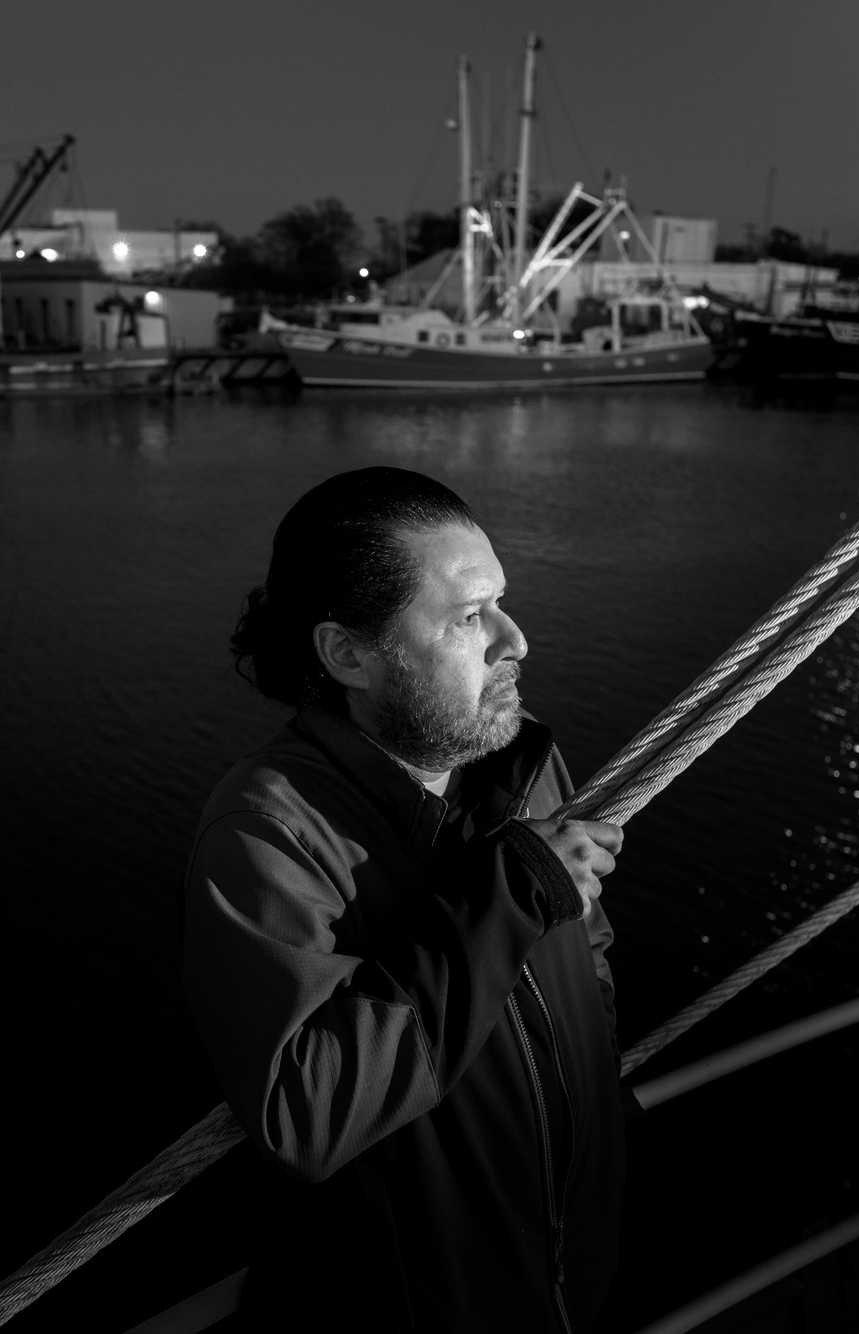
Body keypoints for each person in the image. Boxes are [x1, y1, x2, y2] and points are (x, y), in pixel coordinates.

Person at [183, 466, 629, 1333]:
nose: (516, 640)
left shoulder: (518, 765)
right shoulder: (266, 833)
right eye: (469, 618)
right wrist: (511, 893)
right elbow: (305, 1113)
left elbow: (593, 962)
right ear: (348, 654)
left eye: (501, 601)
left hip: (580, 1282)